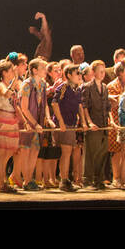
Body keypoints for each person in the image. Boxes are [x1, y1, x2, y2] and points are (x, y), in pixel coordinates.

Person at [15, 58, 50, 191]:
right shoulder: (27, 84)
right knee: (26, 151)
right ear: (34, 70)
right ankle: (27, 180)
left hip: (38, 122)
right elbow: (24, 107)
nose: (45, 71)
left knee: (35, 151)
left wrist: (47, 118)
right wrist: (34, 123)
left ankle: (30, 179)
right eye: (42, 68)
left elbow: (44, 104)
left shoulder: (43, 84)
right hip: (28, 123)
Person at [0, 60, 22, 193]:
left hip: (11, 119)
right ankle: (1, 183)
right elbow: (6, 93)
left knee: (10, 150)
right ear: (4, 72)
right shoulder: (1, 85)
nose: (14, 73)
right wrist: (15, 80)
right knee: (1, 153)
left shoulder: (9, 84)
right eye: (11, 70)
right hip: (3, 118)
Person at [48, 64, 83, 192]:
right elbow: (54, 103)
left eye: (80, 73)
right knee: (65, 152)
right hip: (64, 124)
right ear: (69, 75)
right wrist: (61, 122)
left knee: (67, 152)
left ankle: (64, 179)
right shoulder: (64, 87)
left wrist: (83, 122)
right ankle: (63, 179)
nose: (80, 76)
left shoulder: (77, 89)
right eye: (77, 73)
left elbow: (79, 106)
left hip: (71, 124)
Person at [80, 60, 113, 191]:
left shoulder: (104, 87)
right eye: (100, 71)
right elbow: (84, 106)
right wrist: (89, 122)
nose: (103, 73)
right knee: (91, 153)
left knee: (103, 152)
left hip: (104, 123)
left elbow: (108, 107)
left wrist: (112, 121)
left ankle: (99, 178)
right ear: (93, 72)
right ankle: (87, 179)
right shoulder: (87, 87)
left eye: (104, 71)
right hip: (93, 123)